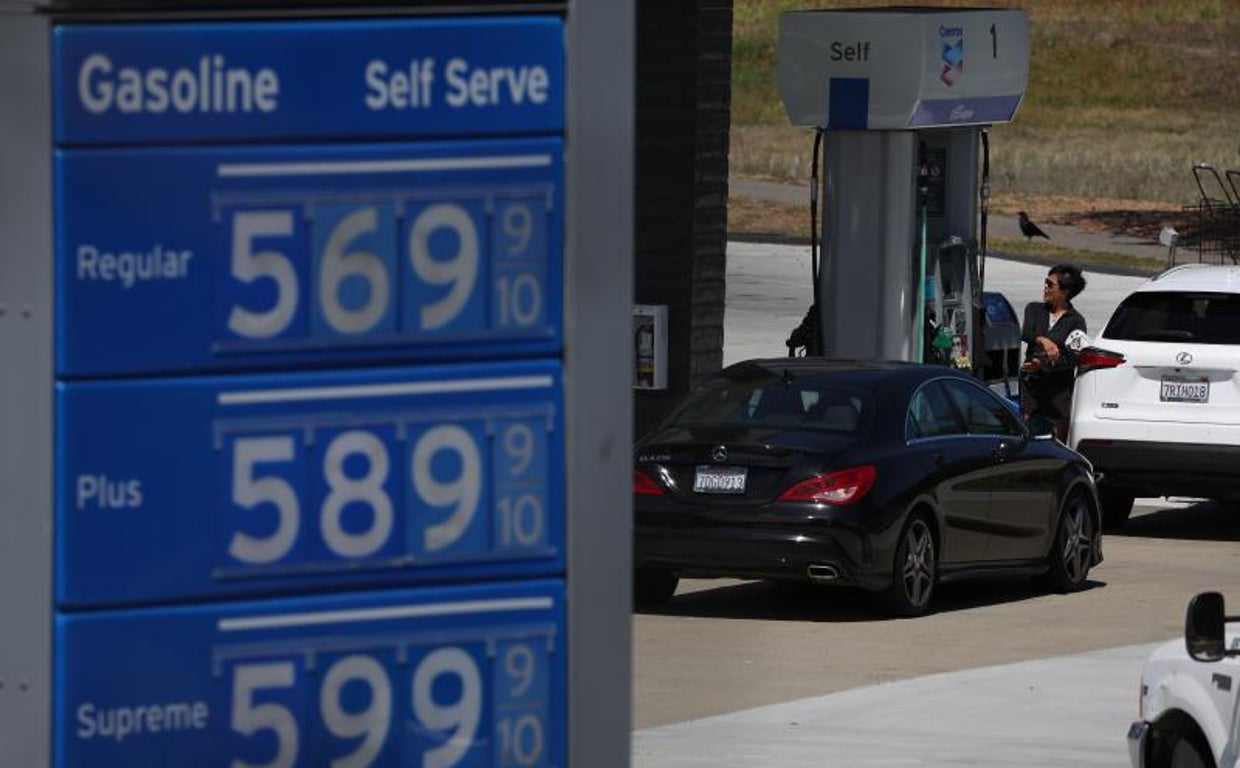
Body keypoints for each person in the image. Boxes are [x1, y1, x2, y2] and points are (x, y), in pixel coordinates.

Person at [1020, 264, 1087, 441]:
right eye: (1045, 283)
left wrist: (1046, 363)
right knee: (1025, 433)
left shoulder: (1076, 321)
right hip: (1032, 386)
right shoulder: (1034, 309)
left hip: (1058, 392)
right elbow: (1027, 333)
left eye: (1050, 285)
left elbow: (1074, 358)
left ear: (1065, 291)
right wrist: (1043, 340)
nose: (1045, 288)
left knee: (1058, 438)